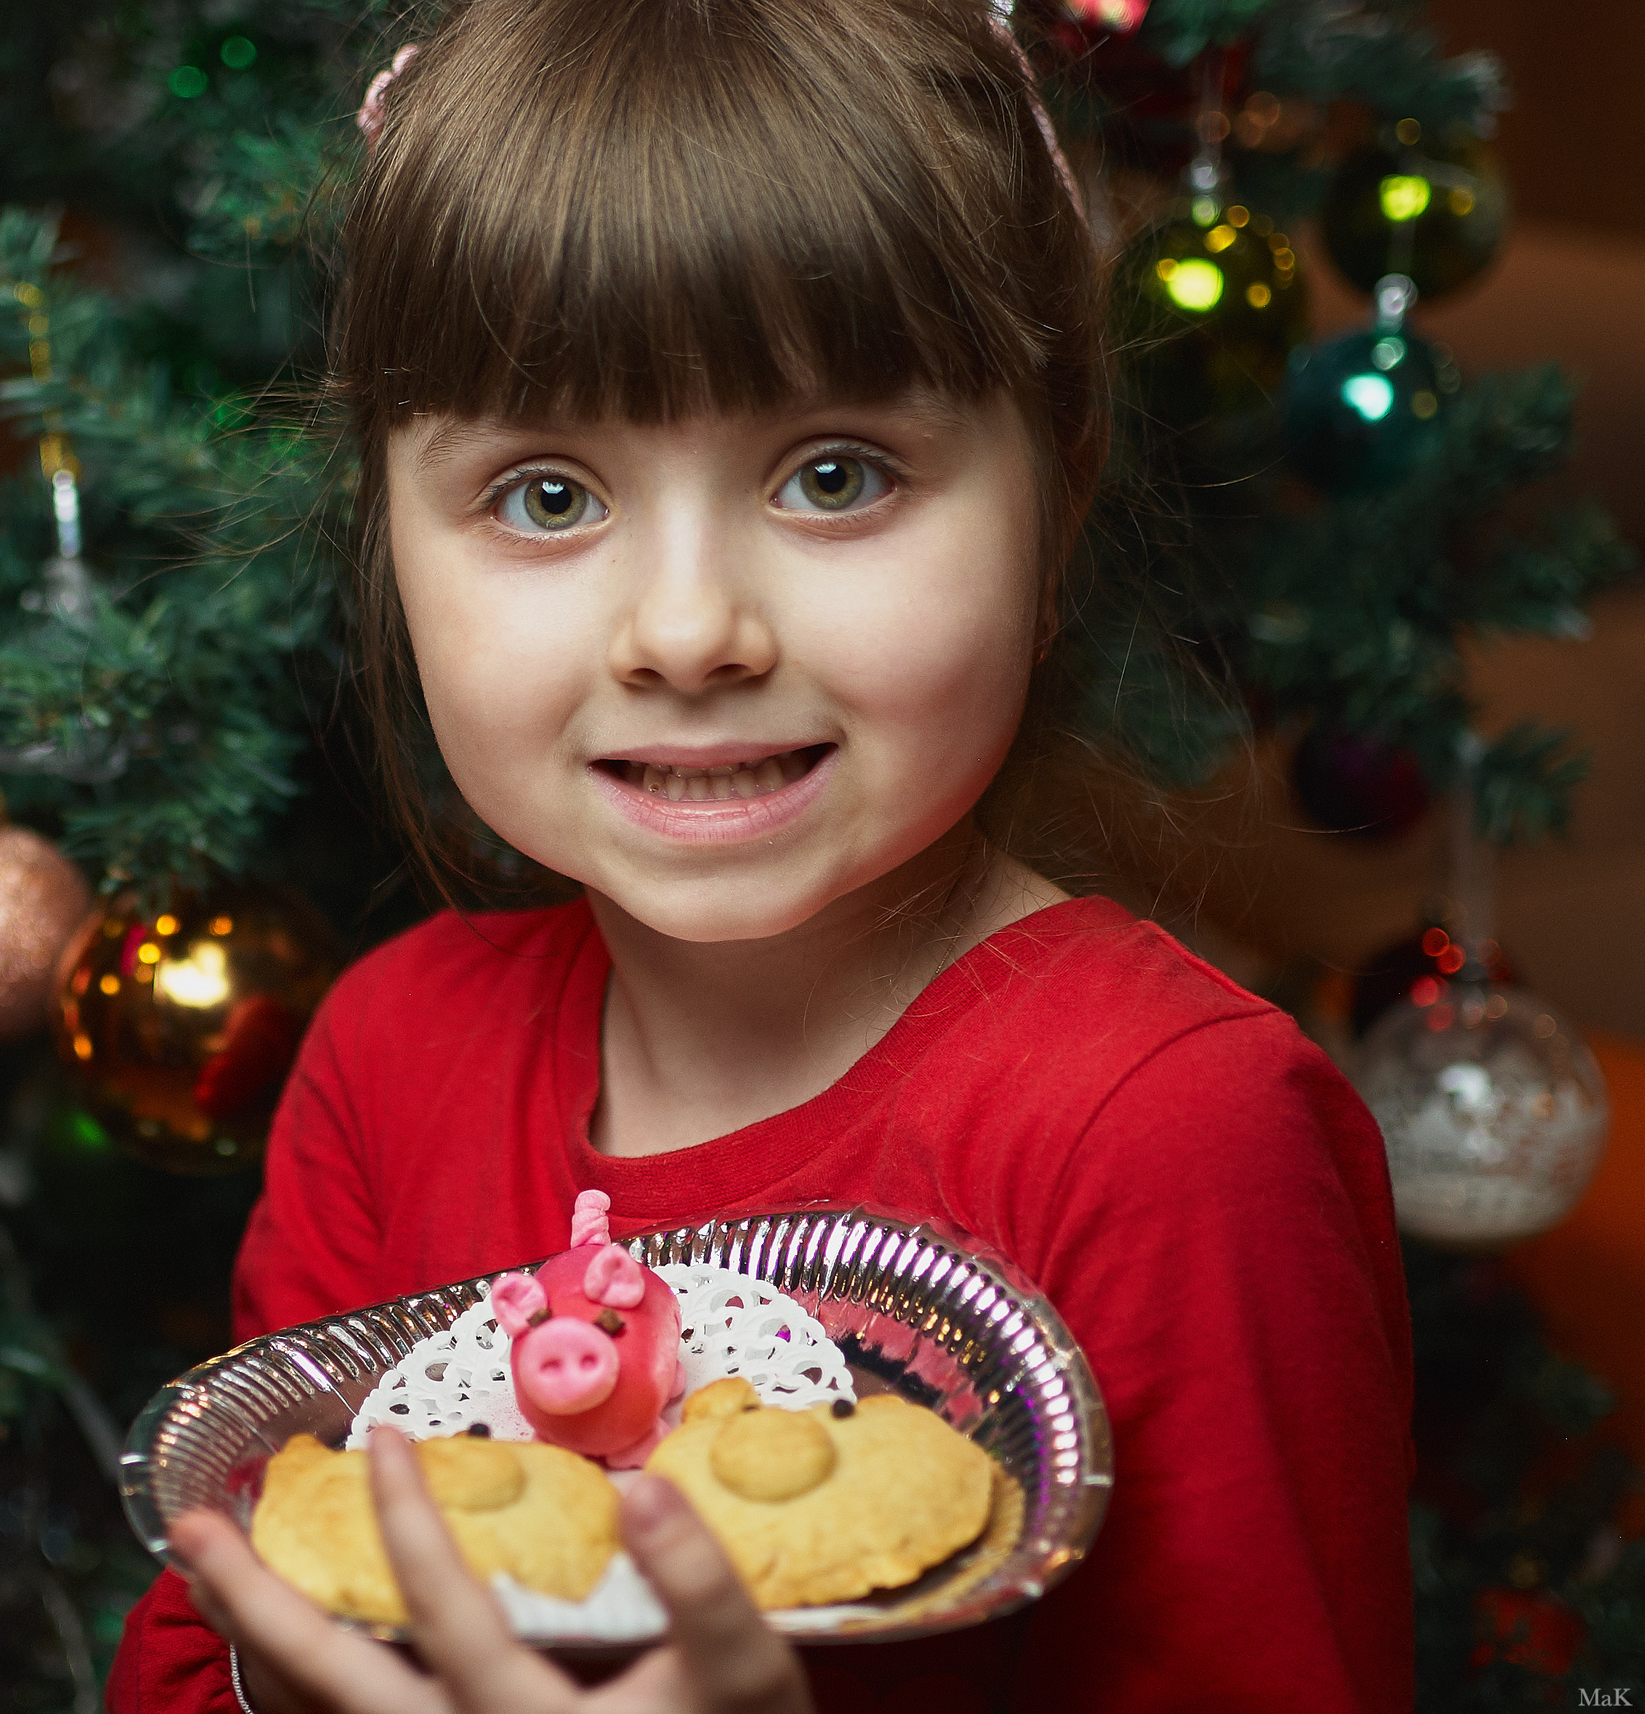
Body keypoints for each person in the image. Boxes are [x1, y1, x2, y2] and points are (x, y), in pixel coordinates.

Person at [110, 1, 1414, 1709]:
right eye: (548, 495)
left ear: (1060, 490)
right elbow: (193, 1654)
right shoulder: (387, 1057)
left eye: (834, 474)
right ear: (390, 533)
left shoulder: (1171, 1138)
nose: (688, 631)